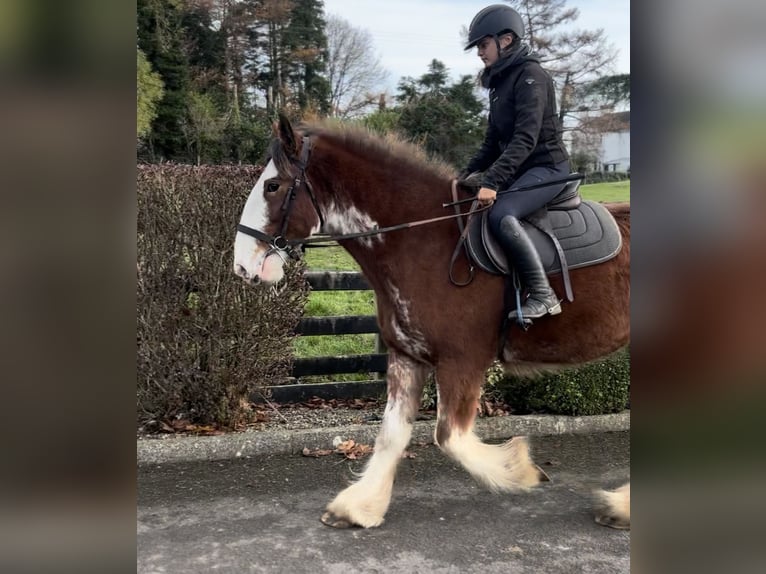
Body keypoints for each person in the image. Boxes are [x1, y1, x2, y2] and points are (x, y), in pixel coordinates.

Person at [457, 4, 570, 321]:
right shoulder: (499, 83)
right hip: (521, 169)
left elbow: (525, 138)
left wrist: (492, 181)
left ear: (505, 40)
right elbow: (492, 143)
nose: (479, 52)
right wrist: (463, 175)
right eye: (478, 46)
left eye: (483, 44)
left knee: (502, 214)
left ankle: (544, 294)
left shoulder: (531, 76)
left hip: (548, 168)